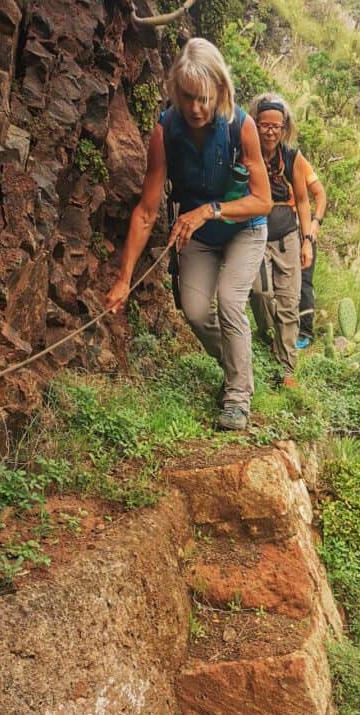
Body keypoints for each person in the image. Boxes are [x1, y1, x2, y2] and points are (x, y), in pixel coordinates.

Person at [106, 38, 272, 432]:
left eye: (203, 98)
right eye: (186, 97)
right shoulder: (165, 131)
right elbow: (147, 211)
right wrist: (123, 279)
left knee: (231, 302)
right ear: (174, 91)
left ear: (219, 91)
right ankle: (237, 363)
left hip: (243, 229)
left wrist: (209, 210)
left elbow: (263, 200)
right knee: (195, 312)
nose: (195, 108)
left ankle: (237, 396)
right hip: (198, 235)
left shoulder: (241, 126)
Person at [247, 93, 313, 386]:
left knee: (288, 301)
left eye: (276, 126)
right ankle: (265, 334)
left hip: (286, 236)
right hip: (252, 232)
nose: (270, 131)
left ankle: (287, 367)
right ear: (255, 124)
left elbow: (303, 199)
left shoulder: (291, 155)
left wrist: (307, 239)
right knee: (259, 291)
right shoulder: (245, 149)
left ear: (285, 127)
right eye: (264, 125)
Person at [296, 161, 327, 350]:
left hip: (302, 227)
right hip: (273, 227)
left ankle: (305, 331)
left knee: (304, 280)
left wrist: (316, 221)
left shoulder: (297, 160)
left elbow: (320, 193)